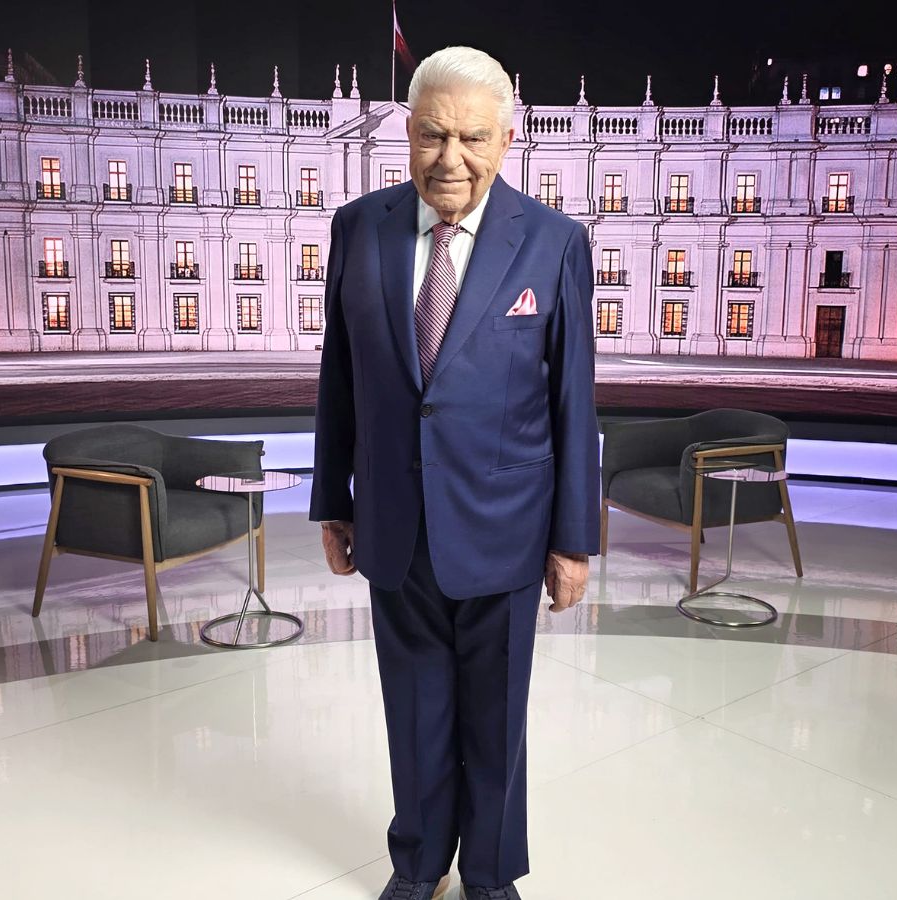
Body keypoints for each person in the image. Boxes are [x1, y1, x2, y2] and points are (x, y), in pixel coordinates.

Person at [309, 45, 600, 900]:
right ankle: (419, 865)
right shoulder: (358, 228)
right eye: (433, 134)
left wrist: (574, 541)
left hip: (508, 528)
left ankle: (490, 874)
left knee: (495, 718)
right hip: (394, 522)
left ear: (507, 139)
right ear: (407, 131)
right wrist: (333, 500)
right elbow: (339, 376)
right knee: (414, 709)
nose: (451, 158)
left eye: (472, 138)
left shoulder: (553, 243)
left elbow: (573, 401)